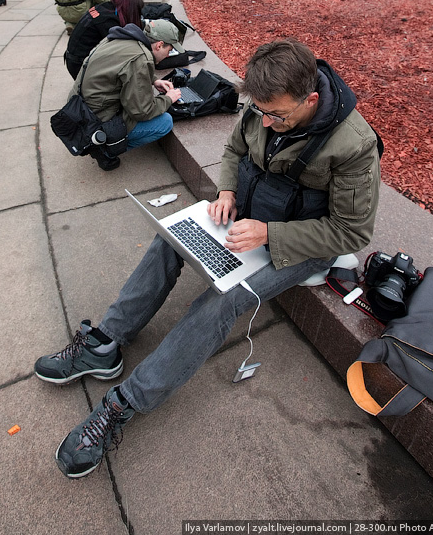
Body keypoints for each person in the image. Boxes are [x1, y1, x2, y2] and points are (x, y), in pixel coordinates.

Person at [34, 38, 381, 478]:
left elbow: (351, 231)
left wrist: (270, 233)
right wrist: (228, 192)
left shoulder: (353, 144)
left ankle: (124, 403)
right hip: (249, 214)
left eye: (278, 115)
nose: (269, 124)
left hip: (301, 243)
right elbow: (235, 151)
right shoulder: (262, 106)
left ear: (311, 99)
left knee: (227, 297)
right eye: (261, 112)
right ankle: (106, 342)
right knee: (172, 238)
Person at [66, 18, 184, 171]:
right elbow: (142, 111)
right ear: (159, 45)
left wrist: (153, 80)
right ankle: (105, 149)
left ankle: (104, 142)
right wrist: (168, 99)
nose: (169, 55)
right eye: (170, 50)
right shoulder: (141, 59)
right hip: (94, 120)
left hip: (78, 107)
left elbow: (122, 68)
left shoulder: (122, 37)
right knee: (164, 122)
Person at [64, 0, 144, 79]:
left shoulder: (105, 7)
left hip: (73, 60)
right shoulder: (108, 21)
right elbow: (121, 50)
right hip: (80, 67)